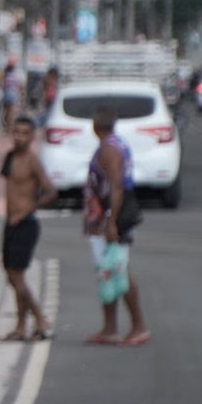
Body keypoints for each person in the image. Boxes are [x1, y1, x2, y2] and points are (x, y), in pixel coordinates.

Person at [82, 106, 149, 346]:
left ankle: (139, 325)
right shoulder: (115, 143)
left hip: (110, 218)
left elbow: (116, 186)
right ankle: (109, 328)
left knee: (119, 270)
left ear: (94, 126)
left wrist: (111, 222)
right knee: (107, 271)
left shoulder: (109, 149)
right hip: (103, 217)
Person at [0, 116, 56, 341]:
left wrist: (28, 209)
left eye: (24, 133)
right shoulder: (10, 158)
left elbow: (51, 191)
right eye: (16, 132)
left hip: (26, 223)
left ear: (32, 137)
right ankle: (21, 325)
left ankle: (40, 318)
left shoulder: (33, 161)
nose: (19, 137)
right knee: (11, 276)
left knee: (17, 276)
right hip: (9, 223)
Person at [2, 57, 25, 132]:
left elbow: (3, 85)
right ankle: (10, 128)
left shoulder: (6, 74)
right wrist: (21, 94)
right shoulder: (16, 75)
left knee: (7, 112)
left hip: (7, 94)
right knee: (11, 113)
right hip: (13, 94)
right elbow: (20, 86)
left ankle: (8, 127)